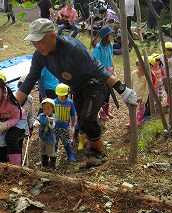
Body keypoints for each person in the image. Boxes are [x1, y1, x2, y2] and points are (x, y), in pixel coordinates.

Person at [17, 18, 137, 169]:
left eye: (40, 42)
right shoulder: (40, 55)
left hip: (96, 83)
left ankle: (97, 152)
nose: (37, 46)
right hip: (77, 87)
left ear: (52, 36)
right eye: (34, 43)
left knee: (87, 119)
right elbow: (30, 80)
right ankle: (95, 148)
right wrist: (13, 106)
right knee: (82, 121)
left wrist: (122, 89)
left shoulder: (73, 48)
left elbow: (99, 69)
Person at [93, 26, 115, 121]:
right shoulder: (98, 48)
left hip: (109, 72)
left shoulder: (110, 45)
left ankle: (107, 110)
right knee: (102, 91)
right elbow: (95, 63)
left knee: (109, 91)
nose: (112, 35)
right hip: (101, 73)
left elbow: (111, 58)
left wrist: (113, 70)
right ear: (106, 35)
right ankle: (101, 111)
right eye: (110, 34)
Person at [53, 83, 76, 162]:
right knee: (54, 141)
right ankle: (53, 155)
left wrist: (72, 126)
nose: (61, 97)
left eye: (63, 95)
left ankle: (70, 154)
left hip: (65, 126)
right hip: (55, 126)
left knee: (66, 141)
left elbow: (73, 115)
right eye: (60, 95)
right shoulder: (54, 102)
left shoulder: (70, 103)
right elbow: (50, 113)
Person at [34, 98, 57, 170]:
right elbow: (38, 119)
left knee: (50, 152)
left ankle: (52, 165)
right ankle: (44, 162)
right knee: (43, 150)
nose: (46, 111)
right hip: (42, 137)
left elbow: (52, 126)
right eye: (44, 109)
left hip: (50, 139)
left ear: (52, 108)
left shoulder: (53, 117)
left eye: (48, 108)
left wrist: (51, 121)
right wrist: (36, 123)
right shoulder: (42, 115)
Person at [127, 58, 149, 127]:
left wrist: (144, 98)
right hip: (134, 94)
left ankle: (138, 120)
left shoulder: (146, 75)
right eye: (138, 65)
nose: (140, 67)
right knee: (132, 108)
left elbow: (147, 88)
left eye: (142, 65)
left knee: (141, 108)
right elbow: (131, 83)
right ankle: (132, 120)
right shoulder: (134, 73)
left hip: (142, 95)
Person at [17, 75, 34, 152]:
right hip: (13, 125)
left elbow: (30, 114)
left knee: (19, 144)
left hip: (23, 126)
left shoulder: (30, 99)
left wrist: (30, 127)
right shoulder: (14, 97)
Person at [161, 42, 172, 107]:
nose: (168, 52)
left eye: (169, 50)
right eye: (166, 50)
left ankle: (169, 101)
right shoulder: (162, 57)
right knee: (166, 89)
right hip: (165, 75)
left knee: (170, 88)